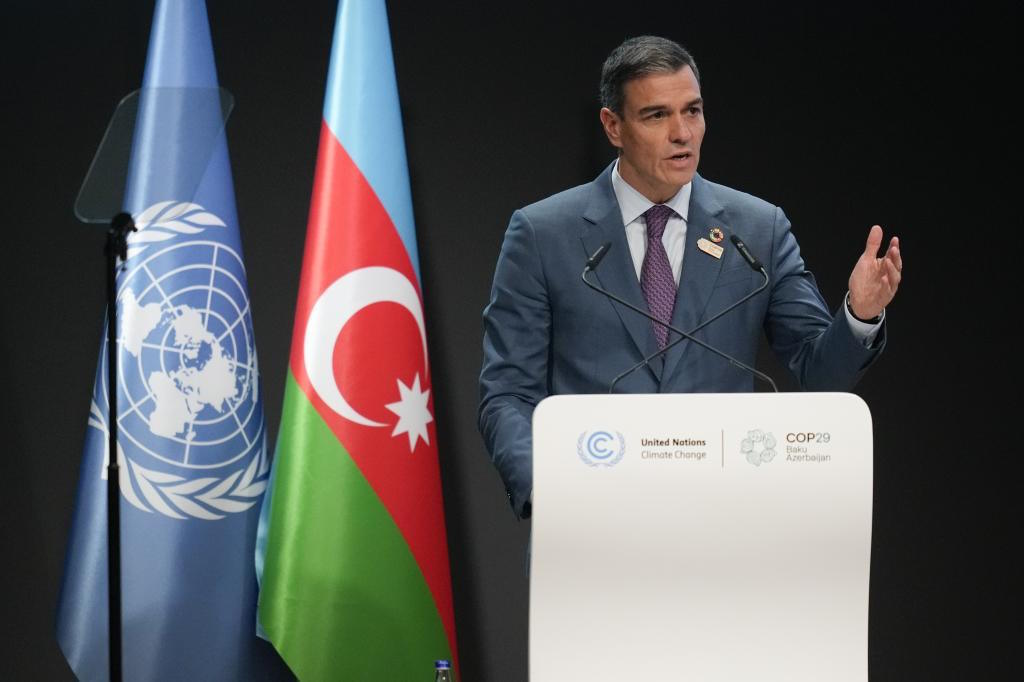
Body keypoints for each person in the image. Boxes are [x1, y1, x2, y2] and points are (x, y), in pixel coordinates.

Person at [478, 36, 902, 518]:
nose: (682, 133)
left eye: (693, 111)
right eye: (657, 115)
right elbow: (508, 393)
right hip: (590, 525)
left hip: (722, 524)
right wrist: (548, 492)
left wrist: (859, 315)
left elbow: (820, 373)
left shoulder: (758, 229)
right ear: (613, 126)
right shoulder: (543, 234)